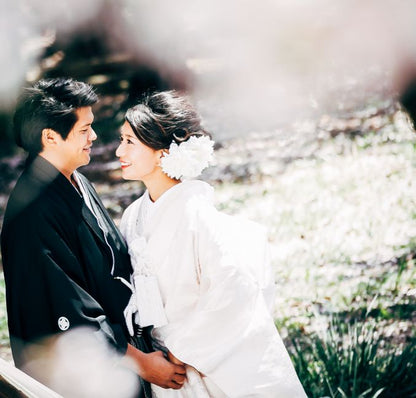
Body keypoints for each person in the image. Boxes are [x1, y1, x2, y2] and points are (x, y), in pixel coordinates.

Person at [1, 78, 186, 397]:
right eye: (84, 129)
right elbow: (70, 310)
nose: (94, 137)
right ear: (50, 137)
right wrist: (142, 363)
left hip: (119, 358)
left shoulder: (77, 181)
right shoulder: (31, 213)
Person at [116, 90, 307, 397]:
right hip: (159, 365)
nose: (118, 151)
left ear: (162, 152)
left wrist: (182, 351)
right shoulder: (132, 216)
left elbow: (233, 291)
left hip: (198, 359)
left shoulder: (197, 214)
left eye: (129, 142)